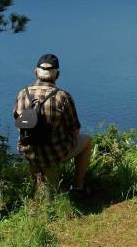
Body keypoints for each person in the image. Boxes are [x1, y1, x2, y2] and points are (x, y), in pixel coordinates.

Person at [13, 54, 93, 198]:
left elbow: (18, 124)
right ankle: (78, 186)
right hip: (54, 153)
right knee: (87, 141)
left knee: (44, 194)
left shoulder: (22, 94)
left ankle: (38, 182)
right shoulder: (62, 96)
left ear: (35, 72)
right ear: (57, 75)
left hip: (29, 150)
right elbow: (75, 130)